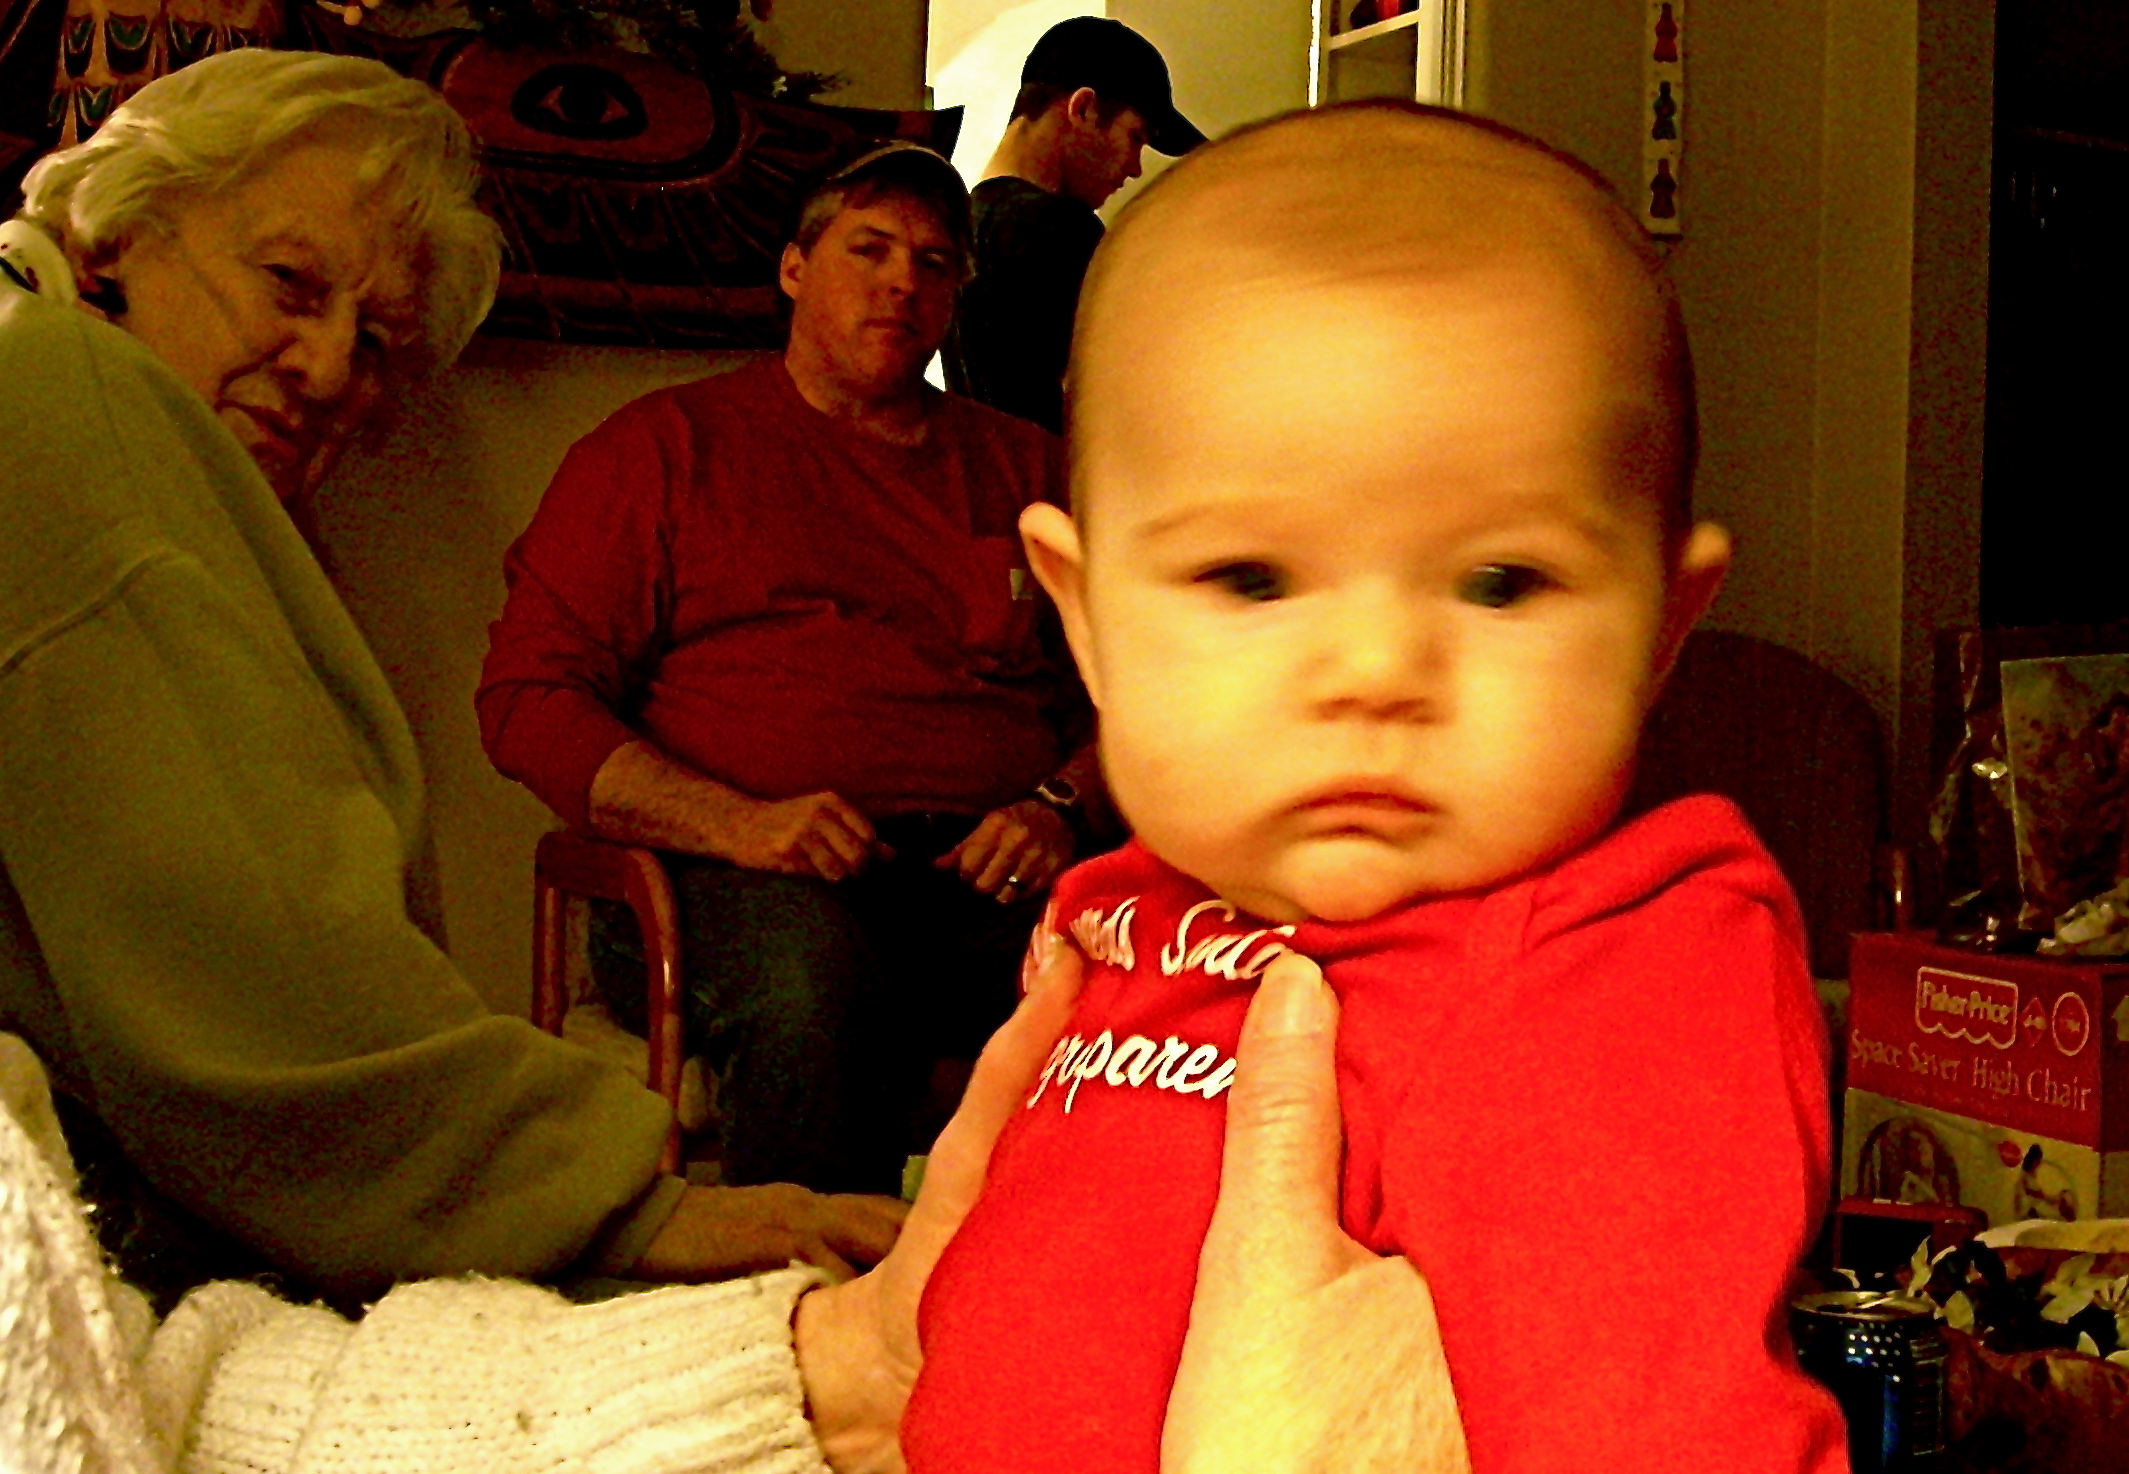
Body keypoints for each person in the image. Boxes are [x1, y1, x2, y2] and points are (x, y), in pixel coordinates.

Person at [904, 103, 1851, 1473]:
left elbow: (1666, 1431)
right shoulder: (1135, 906)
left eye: (1498, 580)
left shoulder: (1616, 967)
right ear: (1085, 615)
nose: (1372, 670)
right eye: (1249, 577)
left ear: (1660, 628)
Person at [0, 49, 902, 1312]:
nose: (325, 372)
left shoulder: (988, 460)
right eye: (287, 284)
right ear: (121, 226)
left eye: (373, 342)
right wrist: (637, 1205)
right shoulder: (64, 389)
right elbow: (258, 967)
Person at [0, 926, 1469, 1474]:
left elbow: (138, 1398)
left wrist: (839, 1362)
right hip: (752, 856)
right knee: (815, 980)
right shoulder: (672, 459)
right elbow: (547, 699)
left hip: (961, 845)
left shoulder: (972, 465)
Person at [477, 143, 1108, 1198]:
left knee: (1153, 958)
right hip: (724, 880)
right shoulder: (663, 451)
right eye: (868, 249)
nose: (903, 280)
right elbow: (525, 704)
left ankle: (1059, 1318)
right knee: (812, 975)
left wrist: (1058, 804)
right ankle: (803, 1308)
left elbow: (1147, 690)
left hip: (975, 871)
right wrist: (735, 823)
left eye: (935, 262)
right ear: (792, 270)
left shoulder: (1027, 469)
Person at [940, 16, 1204, 434]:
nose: (1135, 168)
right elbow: (1116, 410)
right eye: (1135, 137)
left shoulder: (961, 224)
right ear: (1083, 109)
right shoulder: (1056, 228)